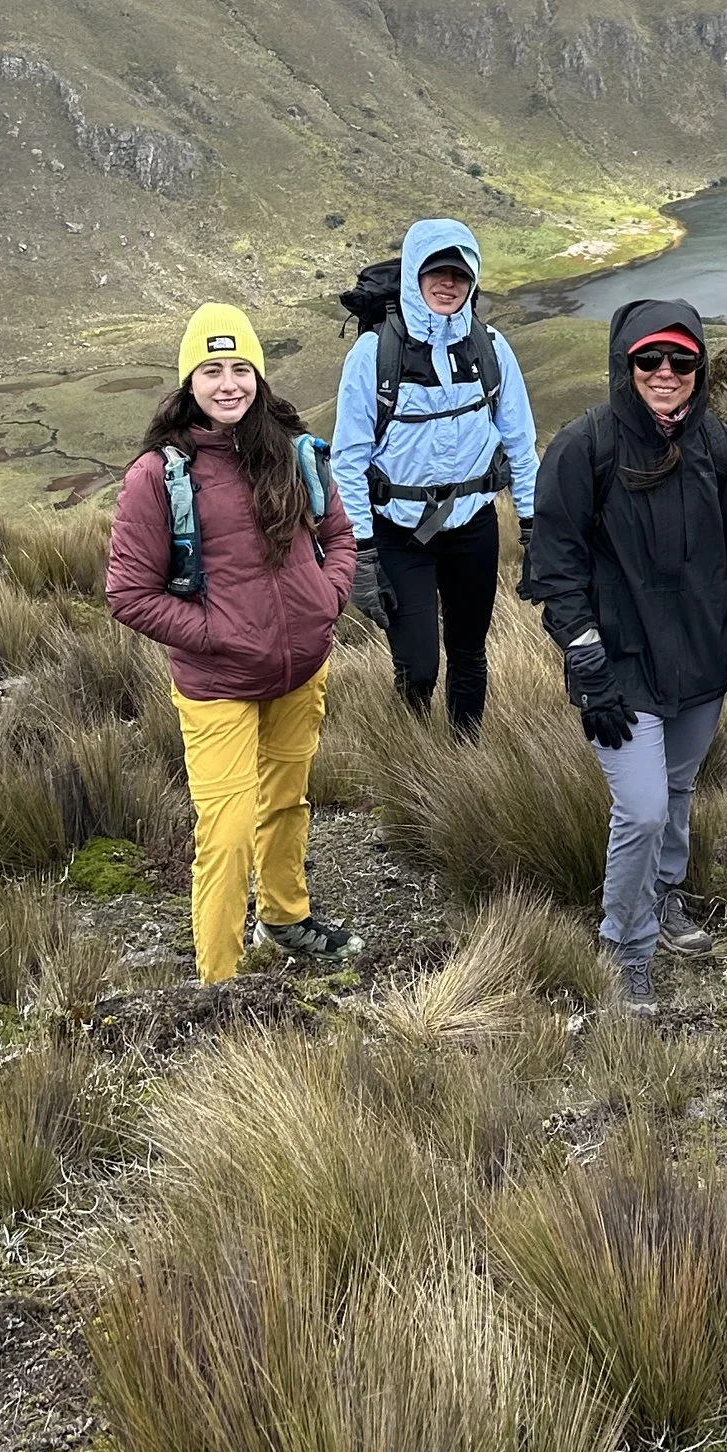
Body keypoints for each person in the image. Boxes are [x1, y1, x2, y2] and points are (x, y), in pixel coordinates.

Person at [525, 298, 727, 1011]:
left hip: (699, 663)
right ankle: (623, 945)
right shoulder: (584, 446)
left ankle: (663, 898)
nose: (666, 373)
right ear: (624, 363)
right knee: (640, 807)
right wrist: (586, 659)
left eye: (682, 360)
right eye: (649, 360)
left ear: (700, 366)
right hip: (621, 667)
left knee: (679, 790)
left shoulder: (718, 448)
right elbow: (555, 567)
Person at [107, 302, 360, 981]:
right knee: (225, 831)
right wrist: (217, 634)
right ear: (189, 381)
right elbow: (129, 593)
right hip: (217, 684)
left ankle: (285, 915)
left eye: (241, 368)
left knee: (287, 801)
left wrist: (327, 599)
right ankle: (219, 981)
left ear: (259, 375)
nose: (228, 383)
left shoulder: (296, 449)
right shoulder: (157, 477)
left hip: (301, 670)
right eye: (212, 369)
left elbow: (339, 536)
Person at [330, 219, 539, 739]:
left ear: (472, 281)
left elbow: (520, 442)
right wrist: (362, 552)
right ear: (413, 276)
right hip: (401, 536)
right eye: (435, 271)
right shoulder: (373, 354)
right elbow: (348, 461)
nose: (448, 283)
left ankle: (463, 760)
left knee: (469, 653)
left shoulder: (491, 348)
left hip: (473, 527)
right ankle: (414, 759)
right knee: (419, 666)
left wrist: (535, 527)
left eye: (459, 274)